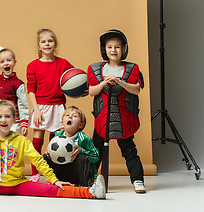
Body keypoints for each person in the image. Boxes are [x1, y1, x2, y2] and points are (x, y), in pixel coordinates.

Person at [87, 29, 146, 193]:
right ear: (104, 50)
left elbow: (136, 90)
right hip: (103, 118)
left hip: (124, 118)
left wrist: (119, 81)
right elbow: (92, 91)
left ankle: (138, 180)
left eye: (117, 47)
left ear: (124, 49)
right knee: (96, 150)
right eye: (110, 47)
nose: (113, 50)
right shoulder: (96, 69)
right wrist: (104, 83)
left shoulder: (131, 68)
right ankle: (91, 179)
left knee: (129, 150)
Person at [26, 29, 76, 182]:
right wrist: (36, 110)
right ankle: (35, 174)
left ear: (55, 44)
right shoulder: (33, 66)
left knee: (56, 143)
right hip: (41, 106)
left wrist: (82, 89)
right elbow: (31, 90)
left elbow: (75, 79)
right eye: (43, 41)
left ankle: (52, 174)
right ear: (39, 46)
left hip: (58, 106)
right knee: (37, 140)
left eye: (50, 41)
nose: (47, 44)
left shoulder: (63, 63)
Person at [43, 106, 100, 187]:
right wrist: (49, 154)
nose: (70, 116)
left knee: (82, 157)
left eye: (75, 116)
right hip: (62, 171)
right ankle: (54, 181)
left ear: (81, 125)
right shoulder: (56, 137)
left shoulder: (85, 139)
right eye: (67, 115)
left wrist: (82, 150)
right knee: (45, 157)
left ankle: (83, 184)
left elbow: (96, 157)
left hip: (77, 173)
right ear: (62, 123)